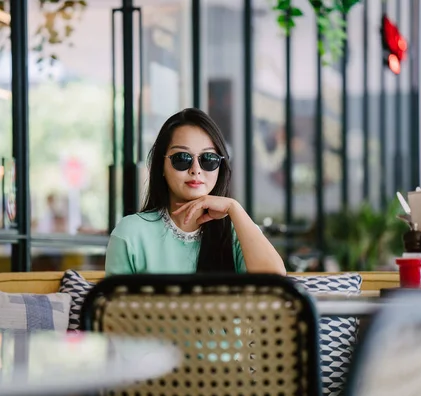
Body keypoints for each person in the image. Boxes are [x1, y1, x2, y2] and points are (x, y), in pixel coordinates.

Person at [105, 108, 286, 276]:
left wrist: (234, 207)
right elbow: (115, 307)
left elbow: (276, 282)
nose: (196, 169)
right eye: (182, 158)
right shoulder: (131, 233)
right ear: (161, 165)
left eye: (208, 159)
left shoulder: (237, 230)